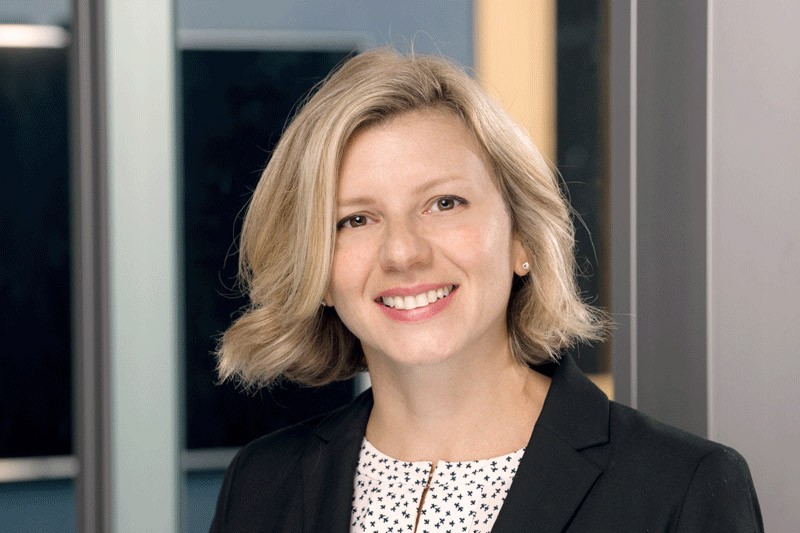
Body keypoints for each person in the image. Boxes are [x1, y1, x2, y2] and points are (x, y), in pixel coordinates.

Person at [209, 49, 762, 532]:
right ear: (319, 272)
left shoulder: (682, 488)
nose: (403, 253)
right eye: (355, 220)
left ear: (523, 237)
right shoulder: (261, 485)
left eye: (445, 203)